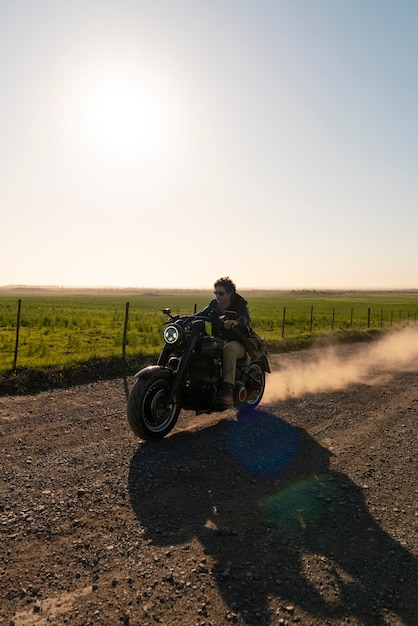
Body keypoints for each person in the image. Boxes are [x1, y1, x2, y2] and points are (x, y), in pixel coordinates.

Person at [198, 277, 251, 408]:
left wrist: (236, 322)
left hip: (239, 342)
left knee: (228, 349)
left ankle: (227, 391)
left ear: (230, 293)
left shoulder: (239, 303)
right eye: (215, 293)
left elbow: (246, 318)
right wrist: (184, 319)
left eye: (221, 293)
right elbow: (201, 314)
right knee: (204, 345)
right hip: (220, 339)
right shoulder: (214, 304)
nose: (217, 296)